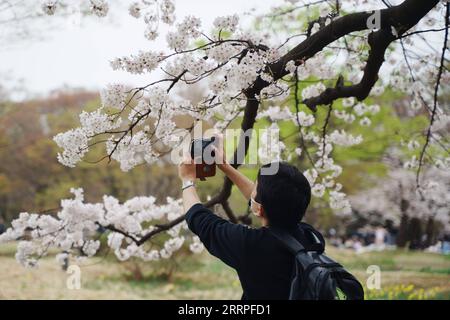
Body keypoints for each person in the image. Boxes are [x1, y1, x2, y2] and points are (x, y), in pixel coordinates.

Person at [178, 134, 323, 300]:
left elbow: (199, 220)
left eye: (256, 188)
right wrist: (225, 166)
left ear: (260, 209)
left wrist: (187, 180)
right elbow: (264, 202)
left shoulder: (250, 246)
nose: (252, 190)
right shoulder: (312, 238)